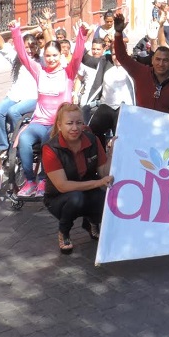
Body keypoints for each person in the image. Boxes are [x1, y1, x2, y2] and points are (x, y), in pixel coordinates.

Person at [10, 18, 88, 198]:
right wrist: (16, 32)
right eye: (48, 55)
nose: (51, 59)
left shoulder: (68, 72)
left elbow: (77, 56)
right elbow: (23, 56)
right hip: (39, 121)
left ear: (60, 56)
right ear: (44, 57)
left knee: (48, 140)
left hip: (60, 124)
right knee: (24, 139)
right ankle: (30, 181)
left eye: (54, 55)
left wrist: (81, 36)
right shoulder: (39, 72)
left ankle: (44, 178)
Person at [41, 103, 113, 255]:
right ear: (59, 126)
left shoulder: (93, 140)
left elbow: (104, 173)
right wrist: (98, 183)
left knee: (107, 197)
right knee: (76, 198)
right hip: (59, 198)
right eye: (69, 123)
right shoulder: (50, 149)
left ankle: (91, 222)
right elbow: (63, 186)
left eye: (79, 123)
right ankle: (64, 232)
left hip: (87, 190)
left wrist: (112, 151)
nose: (75, 128)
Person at [113, 13, 169, 115]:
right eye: (158, 59)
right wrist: (118, 33)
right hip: (141, 123)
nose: (161, 63)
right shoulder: (141, 73)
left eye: (165, 60)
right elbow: (122, 57)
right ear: (152, 60)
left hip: (165, 128)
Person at [0, 17, 39, 158]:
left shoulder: (41, 61)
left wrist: (46, 27)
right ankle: (3, 146)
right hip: (14, 96)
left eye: (32, 47)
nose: (29, 50)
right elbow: (0, 43)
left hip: (32, 98)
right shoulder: (16, 58)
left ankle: (15, 143)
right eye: (26, 47)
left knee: (13, 112)